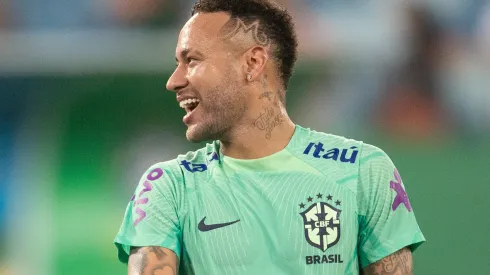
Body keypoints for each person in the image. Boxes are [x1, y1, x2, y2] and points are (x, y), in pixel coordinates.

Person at [114, 0, 425, 274]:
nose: (174, 81)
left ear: (252, 63)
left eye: (193, 61)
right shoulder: (167, 186)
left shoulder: (364, 171)